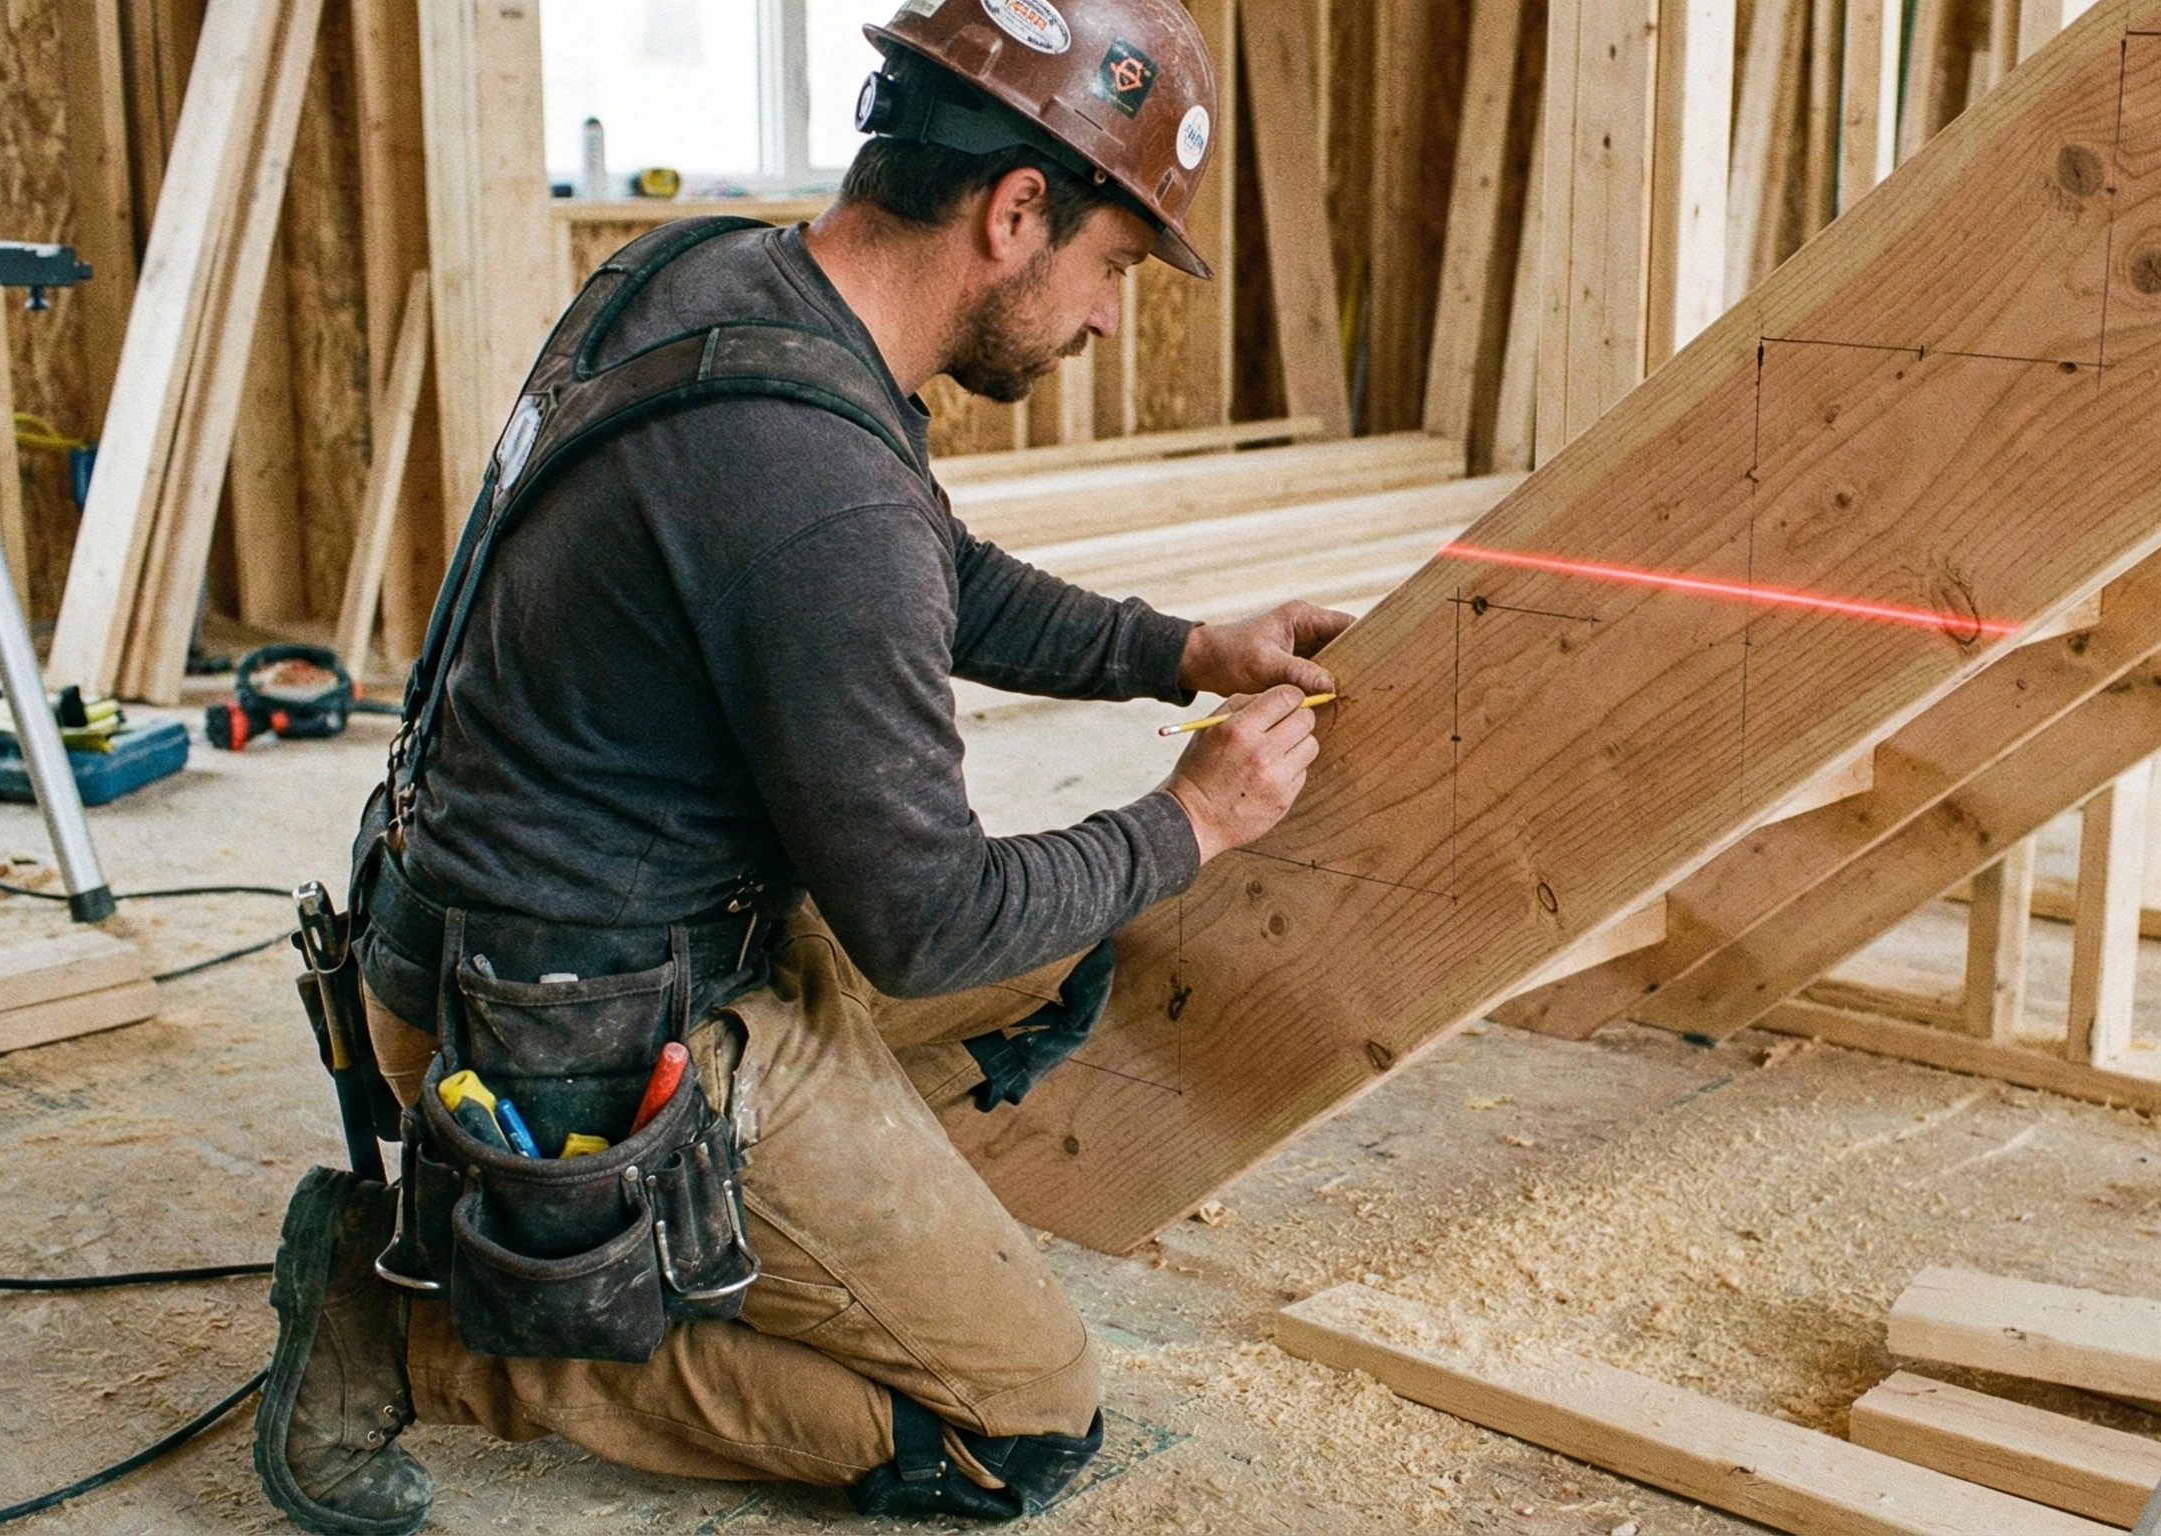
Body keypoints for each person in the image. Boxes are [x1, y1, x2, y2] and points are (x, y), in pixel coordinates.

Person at [252, 3, 1345, 1530]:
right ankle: (443, 1335)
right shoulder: (819, 495)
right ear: (1016, 210)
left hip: (460, 944)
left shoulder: (713, 276)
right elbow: (931, 923)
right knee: (1023, 1424)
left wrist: (1184, 650)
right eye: (1109, 267)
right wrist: (1191, 820)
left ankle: (763, 1240)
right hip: (581, 1042)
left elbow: (932, 570)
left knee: (1070, 957)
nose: (1108, 318)